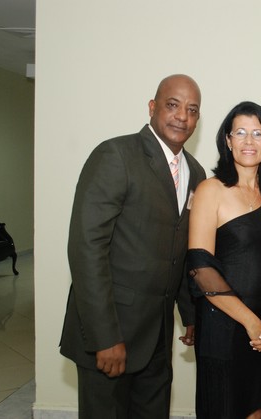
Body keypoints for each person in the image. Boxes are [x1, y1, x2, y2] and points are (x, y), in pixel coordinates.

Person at [59, 74, 206, 419]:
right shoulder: (116, 155)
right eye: (173, 105)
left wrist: (190, 314)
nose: (182, 116)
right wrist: (104, 337)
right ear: (153, 107)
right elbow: (87, 248)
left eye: (192, 110)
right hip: (111, 333)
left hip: (158, 337)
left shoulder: (196, 173)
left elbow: (181, 251)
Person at [187, 101, 261, 419]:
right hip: (224, 324)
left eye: (258, 133)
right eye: (240, 132)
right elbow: (201, 268)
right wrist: (250, 321)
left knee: (255, 409)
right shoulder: (210, 190)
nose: (249, 141)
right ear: (228, 140)